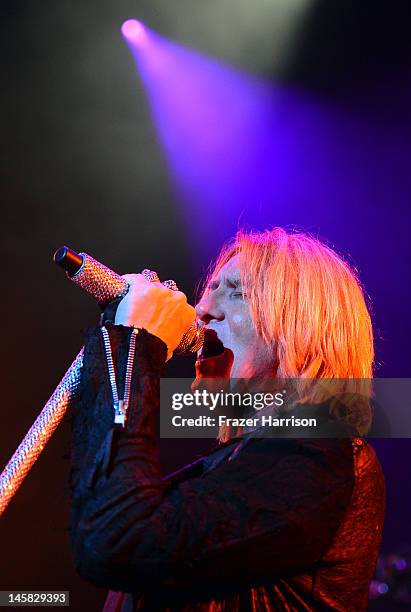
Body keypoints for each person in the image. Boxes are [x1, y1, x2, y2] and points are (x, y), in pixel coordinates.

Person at [69, 227, 385, 611]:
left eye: (238, 292)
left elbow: (116, 539)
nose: (201, 310)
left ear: (302, 326)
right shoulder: (230, 469)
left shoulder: (318, 455)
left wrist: (135, 345)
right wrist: (120, 344)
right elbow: (102, 522)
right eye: (211, 289)